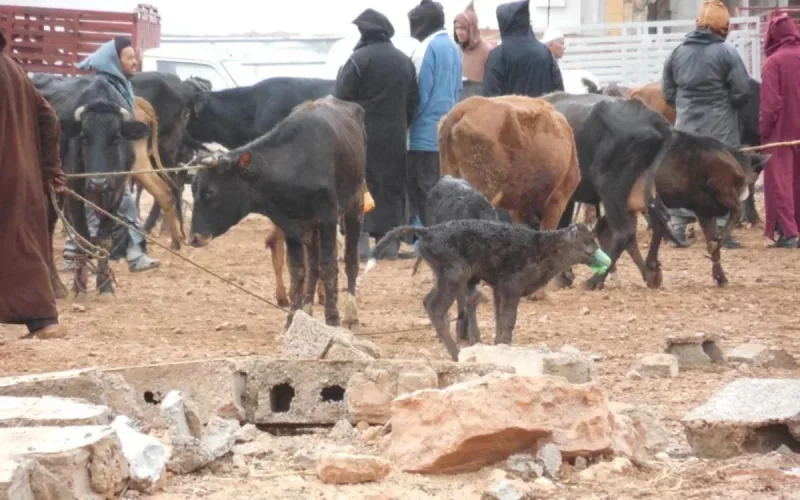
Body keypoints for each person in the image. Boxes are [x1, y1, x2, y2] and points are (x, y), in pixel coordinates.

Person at [62, 36, 161, 272]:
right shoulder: (100, 92)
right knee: (108, 204)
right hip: (93, 167)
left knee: (119, 204)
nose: (135, 62)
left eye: (134, 57)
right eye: (129, 58)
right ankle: (130, 256)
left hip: (109, 166)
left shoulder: (120, 86)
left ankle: (80, 256)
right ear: (114, 61)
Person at [662, 0, 751, 249]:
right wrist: (726, 104)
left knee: (682, 175)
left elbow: (667, 93)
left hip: (685, 127)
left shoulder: (677, 52)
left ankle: (678, 226)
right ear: (722, 27)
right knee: (723, 176)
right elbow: (742, 91)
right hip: (719, 128)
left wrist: (686, 107)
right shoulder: (727, 53)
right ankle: (723, 229)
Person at [334, 9, 419, 260]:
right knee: (392, 187)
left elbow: (339, 100)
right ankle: (389, 246)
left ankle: (359, 245)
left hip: (361, 136)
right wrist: (401, 125)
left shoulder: (357, 61)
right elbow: (414, 101)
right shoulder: (404, 61)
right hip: (395, 136)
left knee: (361, 186)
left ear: (364, 33)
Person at [0, 30, 66, 339]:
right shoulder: (13, 68)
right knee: (22, 248)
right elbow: (48, 117)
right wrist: (49, 170)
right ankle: (44, 321)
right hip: (22, 180)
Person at [407, 0, 462, 231]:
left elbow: (419, 95)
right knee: (441, 187)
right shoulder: (453, 47)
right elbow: (458, 90)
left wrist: (406, 124)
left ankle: (426, 236)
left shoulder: (425, 50)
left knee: (423, 187)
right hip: (447, 130)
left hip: (423, 133)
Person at [761, 14, 800, 248]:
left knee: (780, 181)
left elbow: (770, 105)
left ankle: (788, 232)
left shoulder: (774, 62)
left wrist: (764, 132)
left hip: (781, 132)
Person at [483, 0, 563, 98]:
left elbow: (491, 97)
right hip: (542, 112)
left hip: (511, 113)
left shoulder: (497, 56)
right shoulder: (545, 53)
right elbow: (559, 94)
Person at [454, 1, 491, 82]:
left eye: (463, 28)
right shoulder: (458, 49)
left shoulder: (487, 51)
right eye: (456, 28)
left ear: (472, 29)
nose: (458, 32)